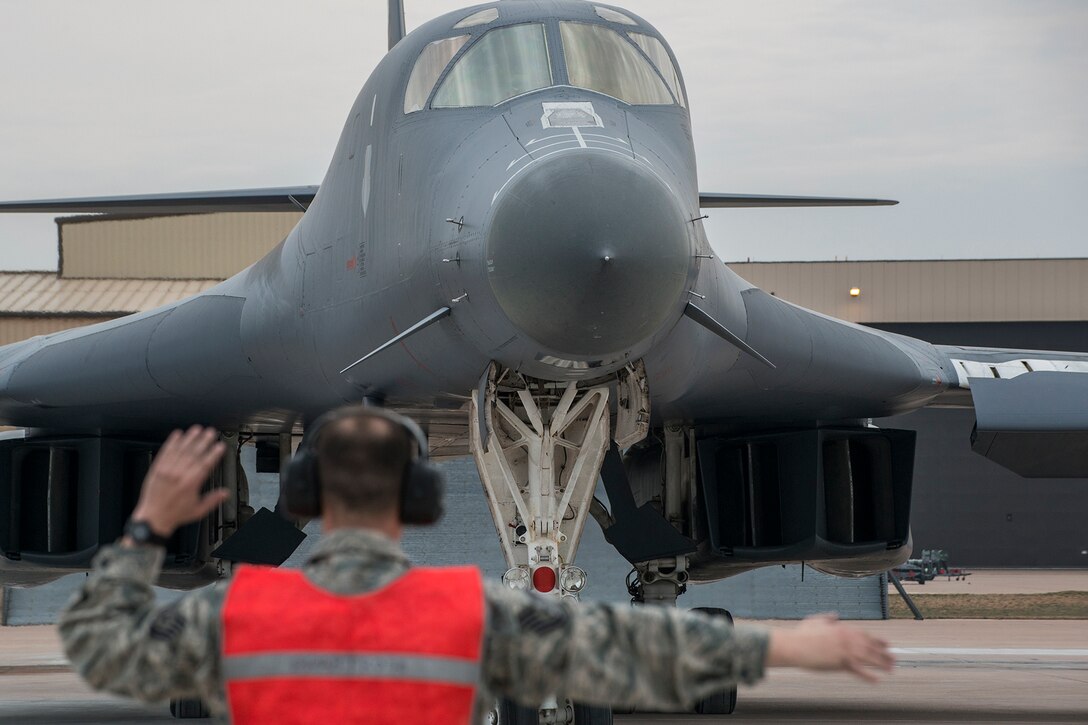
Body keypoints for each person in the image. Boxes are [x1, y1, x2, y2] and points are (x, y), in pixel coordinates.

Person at [59, 407, 894, 723]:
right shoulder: (469, 618)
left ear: (305, 498)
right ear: (420, 499)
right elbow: (639, 651)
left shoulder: (233, 622)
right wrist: (787, 650)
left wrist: (146, 527)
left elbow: (99, 642)